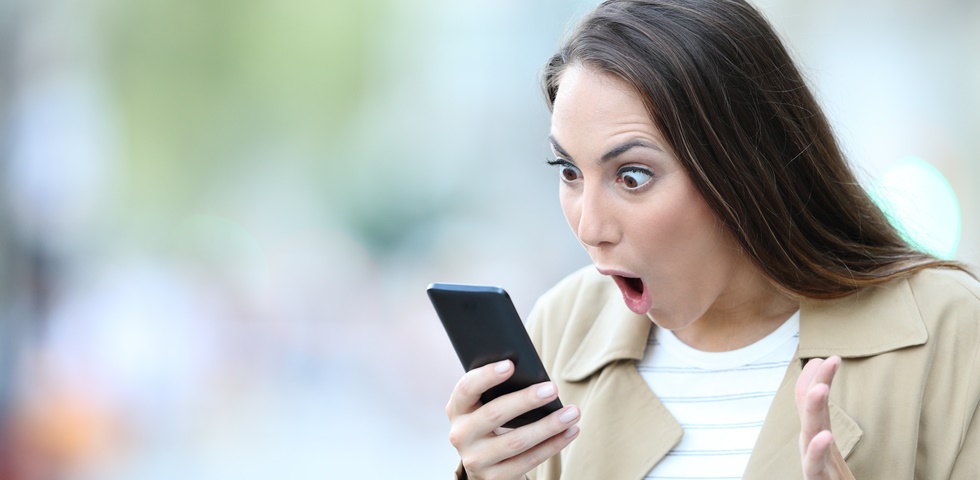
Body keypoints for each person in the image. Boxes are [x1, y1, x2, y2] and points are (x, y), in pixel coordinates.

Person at [444, 0, 980, 479]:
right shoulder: (562, 328)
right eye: (568, 170)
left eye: (632, 176)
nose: (589, 228)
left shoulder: (948, 330)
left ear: (744, 171)